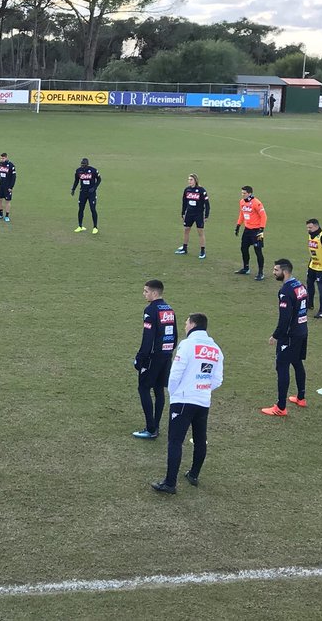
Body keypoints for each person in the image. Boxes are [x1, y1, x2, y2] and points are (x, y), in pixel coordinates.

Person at [151, 312, 224, 494]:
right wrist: (203, 388)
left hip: (183, 399)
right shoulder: (216, 349)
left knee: (175, 441)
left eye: (186, 323)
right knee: (200, 439)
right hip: (203, 400)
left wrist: (174, 393)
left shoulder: (187, 345)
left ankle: (170, 483)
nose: (184, 326)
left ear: (192, 324)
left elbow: (175, 373)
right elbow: (218, 379)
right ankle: (193, 474)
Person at [262, 259, 310, 416]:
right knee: (297, 362)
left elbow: (285, 318)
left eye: (276, 270)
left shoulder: (286, 291)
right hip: (302, 330)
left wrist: (276, 335)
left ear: (285, 271)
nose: (273, 273)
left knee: (282, 366)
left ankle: (281, 407)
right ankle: (301, 398)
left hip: (290, 335)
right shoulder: (300, 285)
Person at [133, 280, 177, 439]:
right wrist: (169, 352)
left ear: (154, 293)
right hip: (166, 356)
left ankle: (151, 428)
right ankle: (156, 426)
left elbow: (148, 338)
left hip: (152, 357)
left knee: (143, 388)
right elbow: (174, 335)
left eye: (146, 291)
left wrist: (140, 358)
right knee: (159, 389)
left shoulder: (150, 310)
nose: (144, 294)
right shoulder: (169, 309)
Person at [234, 186, 267, 281]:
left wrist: (261, 229)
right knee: (243, 248)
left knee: (258, 251)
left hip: (257, 231)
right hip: (247, 230)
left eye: (244, 193)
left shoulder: (257, 203)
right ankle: (246, 268)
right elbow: (242, 214)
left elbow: (264, 216)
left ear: (249, 193)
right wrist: (238, 225)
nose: (242, 194)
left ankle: (260, 273)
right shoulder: (242, 202)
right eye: (242, 193)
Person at [176, 174, 210, 258]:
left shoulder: (201, 190)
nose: (189, 181)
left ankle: (202, 251)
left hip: (198, 214)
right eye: (188, 179)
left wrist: (206, 215)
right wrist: (183, 213)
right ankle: (184, 248)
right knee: (186, 230)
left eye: (191, 179)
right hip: (189, 214)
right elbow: (184, 202)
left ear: (195, 180)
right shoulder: (187, 190)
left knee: (200, 232)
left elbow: (207, 204)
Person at [71, 158, 101, 233]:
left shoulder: (93, 170)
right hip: (83, 192)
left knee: (92, 209)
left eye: (84, 165)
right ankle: (80, 226)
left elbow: (99, 179)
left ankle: (95, 227)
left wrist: (94, 188)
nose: (82, 166)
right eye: (82, 164)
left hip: (91, 193)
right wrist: (73, 189)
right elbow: (76, 180)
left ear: (87, 164)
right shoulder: (78, 171)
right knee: (81, 209)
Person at [0, 153, 16, 222]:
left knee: (7, 201)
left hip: (8, 186)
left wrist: (11, 187)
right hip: (1, 186)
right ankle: (0, 214)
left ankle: (7, 216)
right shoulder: (0, 164)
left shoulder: (11, 165)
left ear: (6, 158)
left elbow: (14, 177)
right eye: (1, 158)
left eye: (3, 158)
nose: (1, 159)